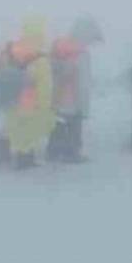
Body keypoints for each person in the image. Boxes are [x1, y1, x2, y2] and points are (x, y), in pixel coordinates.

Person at [0, 16, 55, 170]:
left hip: (11, 98)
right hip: (30, 101)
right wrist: (45, 105)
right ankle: (24, 160)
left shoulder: (10, 51)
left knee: (10, 127)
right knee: (28, 132)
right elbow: (44, 86)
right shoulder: (40, 58)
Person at [46, 17, 104, 163]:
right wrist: (83, 106)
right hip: (73, 98)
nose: (91, 43)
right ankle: (71, 154)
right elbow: (82, 82)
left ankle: (53, 152)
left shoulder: (59, 46)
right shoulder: (80, 53)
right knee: (74, 127)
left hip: (57, 96)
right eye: (91, 39)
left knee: (58, 125)